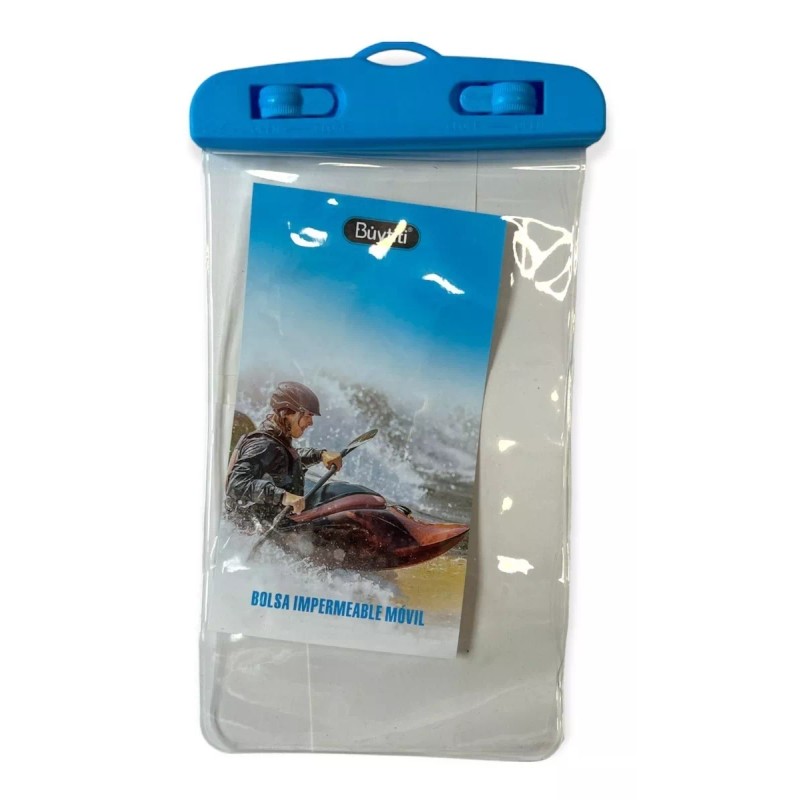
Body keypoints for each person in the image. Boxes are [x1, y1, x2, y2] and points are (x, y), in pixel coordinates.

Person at [225, 381, 343, 528]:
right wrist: (283, 496)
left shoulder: (275, 442)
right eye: (308, 415)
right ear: (287, 413)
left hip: (276, 525)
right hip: (258, 532)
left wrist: (320, 455)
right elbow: (236, 484)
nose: (311, 422)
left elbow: (284, 460)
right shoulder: (263, 444)